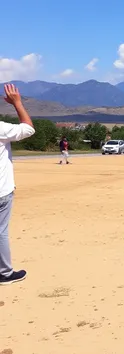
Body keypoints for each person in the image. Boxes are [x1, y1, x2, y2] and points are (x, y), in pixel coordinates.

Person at [0, 84, 36, 285]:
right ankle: (5, 273)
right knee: (1, 231)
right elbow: (28, 128)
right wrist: (17, 103)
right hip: (1, 190)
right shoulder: (1, 128)